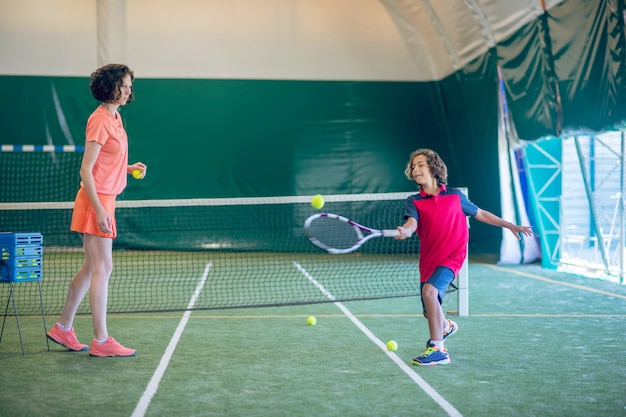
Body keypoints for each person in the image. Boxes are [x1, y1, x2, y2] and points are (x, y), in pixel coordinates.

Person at [395, 148, 533, 365]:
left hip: (452, 256)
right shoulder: (414, 201)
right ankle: (446, 327)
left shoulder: (456, 196)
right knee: (430, 311)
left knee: (429, 291)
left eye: (420, 164)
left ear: (433, 167)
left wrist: (510, 225)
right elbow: (412, 223)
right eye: (413, 166)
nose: (415, 169)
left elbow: (481, 214)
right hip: (429, 261)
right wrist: (406, 230)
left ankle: (438, 349)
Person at [46, 64, 146, 357]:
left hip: (106, 199)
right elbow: (86, 170)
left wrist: (127, 168)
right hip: (96, 201)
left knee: (91, 268)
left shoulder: (116, 118)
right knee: (103, 268)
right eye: (124, 85)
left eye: (130, 86)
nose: (129, 90)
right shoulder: (100, 119)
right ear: (111, 86)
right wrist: (101, 209)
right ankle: (102, 340)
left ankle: (63, 329)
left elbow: (106, 161)